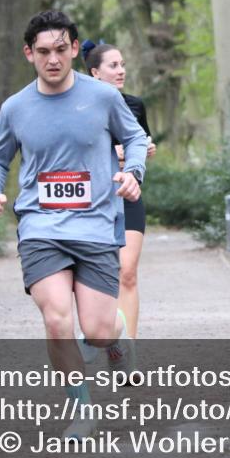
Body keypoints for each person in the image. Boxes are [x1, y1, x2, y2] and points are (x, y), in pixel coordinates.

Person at [0, 11, 147, 440]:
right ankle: (82, 409)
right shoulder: (15, 107)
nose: (52, 59)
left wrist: (134, 174)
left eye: (60, 50)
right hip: (41, 225)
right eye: (42, 52)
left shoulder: (104, 98)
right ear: (28, 54)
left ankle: (117, 335)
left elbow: (133, 139)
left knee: (97, 330)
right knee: (56, 318)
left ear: (75, 48)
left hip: (95, 224)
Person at [81, 40, 157, 340]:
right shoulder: (81, 107)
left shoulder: (135, 105)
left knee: (127, 272)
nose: (121, 70)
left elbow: (140, 144)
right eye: (114, 65)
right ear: (95, 72)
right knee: (99, 275)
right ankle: (101, 332)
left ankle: (128, 351)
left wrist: (144, 151)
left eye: (123, 64)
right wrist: (115, 152)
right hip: (92, 200)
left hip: (128, 194)